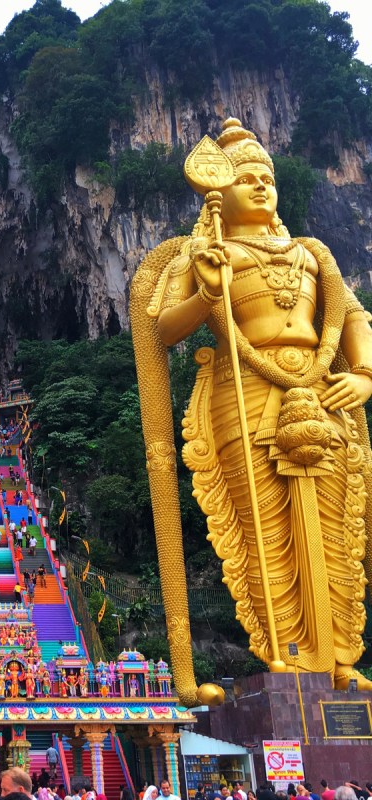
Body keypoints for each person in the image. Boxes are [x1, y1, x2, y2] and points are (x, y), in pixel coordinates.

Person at [134, 116, 372, 696]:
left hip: (320, 394)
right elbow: (160, 329)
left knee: (336, 526)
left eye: (267, 176)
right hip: (243, 394)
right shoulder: (205, 251)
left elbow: (352, 316)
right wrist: (207, 293)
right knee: (263, 529)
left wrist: (363, 373)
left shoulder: (312, 252)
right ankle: (283, 653)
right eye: (246, 178)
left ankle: (338, 656)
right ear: (219, 192)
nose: (262, 186)